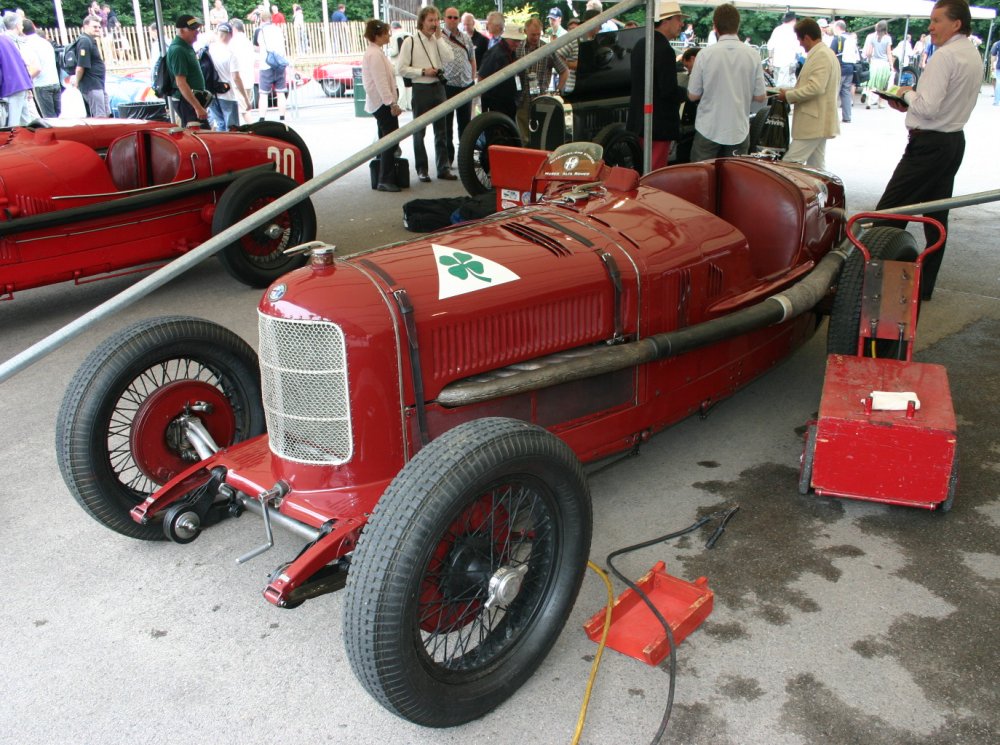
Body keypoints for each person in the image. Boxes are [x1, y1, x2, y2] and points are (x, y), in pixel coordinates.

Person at [874, 0, 982, 300]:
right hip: (951, 141)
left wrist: (906, 93)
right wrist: (909, 105)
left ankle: (875, 284)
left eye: (936, 21)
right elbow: (939, 107)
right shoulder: (971, 53)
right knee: (936, 218)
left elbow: (929, 107)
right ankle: (924, 286)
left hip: (930, 144)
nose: (930, 27)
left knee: (889, 213)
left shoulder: (946, 56)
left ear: (956, 23)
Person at [687, 3, 766, 161]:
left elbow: (693, 95)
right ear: (738, 25)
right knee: (734, 181)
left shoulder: (705, 54)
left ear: (715, 26)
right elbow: (760, 97)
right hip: (738, 129)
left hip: (708, 128)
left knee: (701, 179)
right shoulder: (753, 55)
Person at [396, 5, 455, 182]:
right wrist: (422, 71)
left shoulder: (438, 40)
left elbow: (449, 58)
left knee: (442, 131)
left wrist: (439, 39)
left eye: (437, 20)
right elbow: (402, 68)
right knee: (419, 131)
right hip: (421, 88)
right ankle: (422, 169)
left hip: (438, 87)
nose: (434, 24)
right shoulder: (410, 42)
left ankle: (443, 168)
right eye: (430, 20)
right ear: (422, 22)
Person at [625, 1, 686, 171]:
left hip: (639, 122)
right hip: (657, 125)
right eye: (678, 19)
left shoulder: (640, 44)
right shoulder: (664, 49)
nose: (681, 24)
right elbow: (668, 90)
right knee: (653, 176)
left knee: (641, 170)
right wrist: (688, 94)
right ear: (665, 20)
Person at [777, 17, 839, 170]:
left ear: (806, 37)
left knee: (789, 165)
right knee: (816, 168)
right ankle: (823, 193)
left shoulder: (821, 55)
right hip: (818, 121)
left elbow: (816, 87)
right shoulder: (825, 53)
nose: (800, 44)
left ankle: (787, 194)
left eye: (800, 40)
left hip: (813, 121)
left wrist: (789, 96)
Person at [361, 19, 403, 192]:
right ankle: (385, 178)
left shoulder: (375, 52)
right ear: (377, 35)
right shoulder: (375, 54)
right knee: (390, 140)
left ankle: (383, 175)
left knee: (385, 139)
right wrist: (391, 103)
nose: (389, 35)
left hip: (380, 102)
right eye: (386, 33)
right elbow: (381, 82)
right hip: (382, 103)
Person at [514, 16, 568, 141]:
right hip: (522, 100)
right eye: (533, 35)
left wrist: (557, 91)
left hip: (541, 100)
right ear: (525, 31)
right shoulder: (518, 49)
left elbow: (564, 71)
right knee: (523, 137)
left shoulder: (547, 49)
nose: (536, 38)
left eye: (538, 34)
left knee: (541, 136)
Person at [441, 7, 475, 169]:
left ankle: (465, 159)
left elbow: (472, 60)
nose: (453, 20)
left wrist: (472, 80)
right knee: (447, 126)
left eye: (456, 17)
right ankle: (448, 160)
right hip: (448, 86)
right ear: (444, 18)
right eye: (450, 17)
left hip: (465, 86)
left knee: (465, 125)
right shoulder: (439, 38)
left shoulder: (466, 38)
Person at [167, 14, 209, 126]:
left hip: (190, 100)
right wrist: (197, 107)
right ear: (181, 31)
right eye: (192, 29)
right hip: (185, 101)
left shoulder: (186, 47)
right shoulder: (178, 50)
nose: (196, 32)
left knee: (202, 134)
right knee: (197, 136)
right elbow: (181, 82)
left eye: (197, 29)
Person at [208, 22, 251, 130]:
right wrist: (245, 99)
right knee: (232, 128)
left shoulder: (208, 50)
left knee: (220, 125)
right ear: (230, 35)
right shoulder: (230, 54)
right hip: (227, 94)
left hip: (212, 94)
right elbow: (236, 78)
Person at [478, 22, 520, 121]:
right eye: (514, 40)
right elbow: (481, 78)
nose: (517, 44)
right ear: (506, 38)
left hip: (508, 102)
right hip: (495, 104)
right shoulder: (495, 54)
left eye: (519, 41)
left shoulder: (511, 52)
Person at [71, 14, 109, 117]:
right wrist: (76, 82)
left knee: (106, 114)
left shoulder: (89, 40)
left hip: (98, 84)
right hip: (92, 85)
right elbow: (81, 66)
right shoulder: (84, 41)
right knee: (99, 116)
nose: (98, 29)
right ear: (85, 26)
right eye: (95, 27)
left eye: (99, 27)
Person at [254, 7, 288, 121]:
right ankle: (282, 117)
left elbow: (256, 47)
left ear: (261, 19)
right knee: (280, 92)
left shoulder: (259, 31)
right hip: (279, 64)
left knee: (263, 94)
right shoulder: (278, 30)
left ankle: (262, 118)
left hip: (265, 64)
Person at [21, 19, 59, 118]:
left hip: (41, 84)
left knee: (49, 119)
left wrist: (25, 82)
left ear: (21, 30)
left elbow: (36, 68)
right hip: (55, 81)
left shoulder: (27, 45)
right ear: (33, 28)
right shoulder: (46, 42)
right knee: (60, 117)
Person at [0, 25, 32, 126]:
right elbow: (21, 61)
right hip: (21, 83)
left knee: (11, 127)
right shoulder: (6, 39)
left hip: (10, 88)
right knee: (26, 123)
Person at [862, 20, 893, 109]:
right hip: (884, 63)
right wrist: (891, 65)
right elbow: (889, 53)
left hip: (874, 63)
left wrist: (869, 60)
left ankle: (869, 101)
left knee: (871, 83)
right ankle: (880, 103)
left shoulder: (873, 38)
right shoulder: (887, 38)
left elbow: (869, 52)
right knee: (883, 84)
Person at [831, 20, 857, 123]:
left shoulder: (837, 38)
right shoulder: (851, 39)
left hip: (840, 68)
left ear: (837, 28)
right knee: (846, 92)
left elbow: (831, 53)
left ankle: (831, 117)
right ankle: (847, 116)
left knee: (834, 92)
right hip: (850, 68)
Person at [767, 11, 801, 87]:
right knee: (785, 87)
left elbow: (770, 46)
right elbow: (798, 48)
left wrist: (771, 61)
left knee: (776, 85)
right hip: (788, 63)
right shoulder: (794, 31)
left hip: (776, 62)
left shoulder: (777, 29)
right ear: (794, 20)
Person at [388, 21, 410, 110]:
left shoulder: (394, 36)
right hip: (409, 64)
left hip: (398, 65)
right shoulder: (410, 34)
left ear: (392, 28)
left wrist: (388, 50)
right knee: (409, 86)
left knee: (401, 86)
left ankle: (402, 105)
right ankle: (410, 104)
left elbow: (394, 52)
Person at [989, 36, 1000, 105]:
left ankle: (996, 101)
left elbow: (993, 55)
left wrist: (992, 65)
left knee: (998, 83)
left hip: (999, 66)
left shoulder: (998, 44)